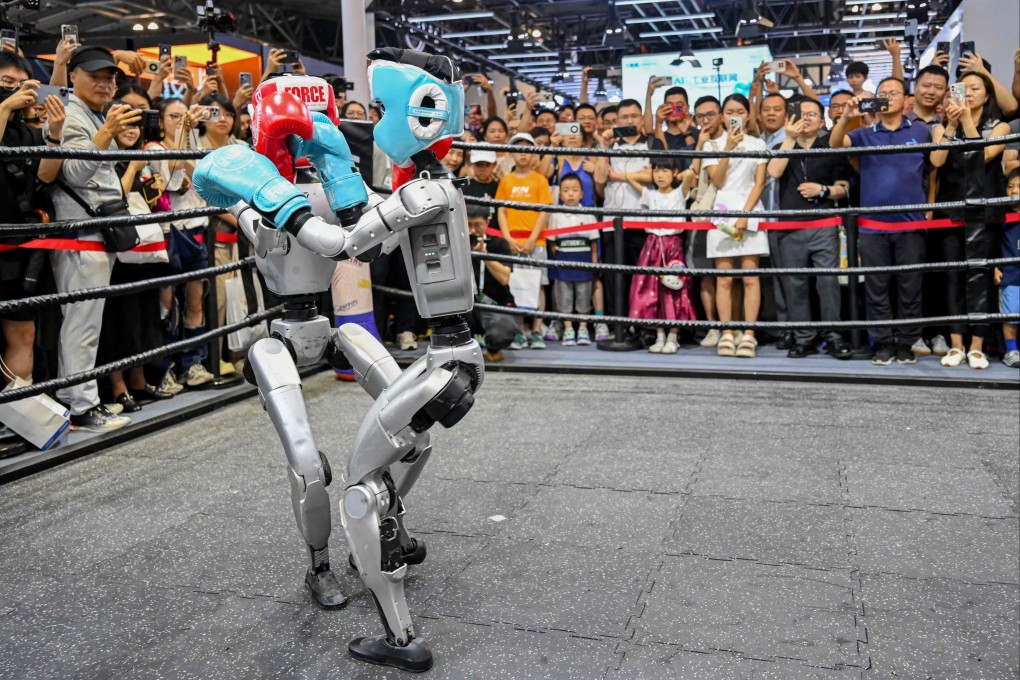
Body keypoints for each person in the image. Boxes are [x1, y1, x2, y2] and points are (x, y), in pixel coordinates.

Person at [47, 46, 139, 431]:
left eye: (110, 77)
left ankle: (83, 400)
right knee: (81, 325)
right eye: (95, 76)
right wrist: (106, 133)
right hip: (81, 232)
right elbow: (75, 174)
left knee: (87, 323)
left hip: (97, 230)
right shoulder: (70, 115)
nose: (105, 83)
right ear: (73, 77)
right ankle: (80, 406)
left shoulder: (94, 113)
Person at [831, 77, 933, 366]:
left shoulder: (921, 130)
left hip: (911, 223)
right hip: (873, 225)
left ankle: (906, 343)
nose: (887, 97)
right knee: (876, 288)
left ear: (906, 100)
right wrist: (846, 118)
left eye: (893, 93)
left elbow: (934, 166)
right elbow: (835, 144)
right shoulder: (864, 134)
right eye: (882, 93)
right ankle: (883, 343)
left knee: (910, 287)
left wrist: (931, 203)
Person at [97, 93, 174, 412]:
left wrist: (153, 183)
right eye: (125, 123)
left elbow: (156, 198)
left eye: (136, 123)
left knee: (145, 315)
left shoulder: (139, 156)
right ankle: (117, 387)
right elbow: (116, 195)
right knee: (119, 319)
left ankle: (140, 382)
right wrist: (134, 168)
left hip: (145, 249)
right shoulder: (105, 156)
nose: (132, 129)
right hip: (117, 249)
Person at [929, 71, 1010, 369]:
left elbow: (984, 155)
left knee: (982, 278)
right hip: (951, 212)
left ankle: (978, 346)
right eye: (963, 88)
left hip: (986, 213)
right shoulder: (942, 128)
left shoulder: (999, 126)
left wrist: (965, 120)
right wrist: (952, 122)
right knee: (952, 278)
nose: (969, 93)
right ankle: (956, 345)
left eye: (975, 88)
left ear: (987, 95)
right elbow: (936, 161)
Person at [766, 99, 853, 360]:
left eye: (812, 114)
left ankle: (834, 336)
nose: (806, 119)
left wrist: (824, 191)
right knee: (795, 285)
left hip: (824, 224)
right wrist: (789, 140)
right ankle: (804, 338)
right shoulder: (782, 146)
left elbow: (845, 187)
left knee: (828, 284)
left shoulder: (831, 146)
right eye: (800, 114)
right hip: (790, 226)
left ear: (822, 121)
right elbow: (774, 171)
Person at [0, 52, 57, 389]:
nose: (16, 91)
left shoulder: (28, 133)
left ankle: (16, 419)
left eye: (22, 85)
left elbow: (45, 179)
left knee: (23, 332)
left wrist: (54, 135)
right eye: (7, 84)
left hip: (20, 249)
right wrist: (6, 106)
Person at [703, 94, 769, 359]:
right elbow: (717, 181)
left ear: (748, 115)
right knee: (725, 279)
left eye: (740, 111)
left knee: (751, 277)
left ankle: (749, 334)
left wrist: (745, 215)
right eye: (729, 112)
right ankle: (727, 332)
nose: (735, 116)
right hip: (721, 212)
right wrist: (728, 148)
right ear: (721, 116)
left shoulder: (758, 143)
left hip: (750, 209)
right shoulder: (711, 145)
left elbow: (759, 182)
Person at [593, 99, 660, 318]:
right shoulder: (610, 146)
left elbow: (656, 175)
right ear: (616, 121)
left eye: (633, 116)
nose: (629, 121)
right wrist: (603, 147)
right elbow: (601, 178)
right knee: (615, 277)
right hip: (614, 222)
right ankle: (618, 324)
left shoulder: (652, 143)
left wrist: (622, 176)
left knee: (643, 277)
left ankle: (644, 324)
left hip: (644, 222)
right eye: (624, 117)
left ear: (641, 119)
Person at [627, 160, 695, 353]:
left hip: (673, 244)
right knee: (653, 290)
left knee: (674, 288)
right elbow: (629, 177)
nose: (660, 175)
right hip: (652, 244)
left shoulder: (680, 192)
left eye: (665, 171)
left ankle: (673, 336)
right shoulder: (650, 194)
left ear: (674, 172)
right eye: (656, 171)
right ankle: (659, 336)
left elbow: (689, 175)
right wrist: (648, 173)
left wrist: (677, 175)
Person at [495, 132, 553, 350]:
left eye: (527, 148)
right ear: (512, 153)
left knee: (538, 284)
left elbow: (543, 212)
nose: (522, 154)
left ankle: (537, 330)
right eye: (517, 149)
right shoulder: (506, 181)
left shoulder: (541, 180)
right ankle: (518, 330)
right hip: (513, 240)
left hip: (536, 242)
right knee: (516, 285)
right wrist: (508, 238)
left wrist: (532, 238)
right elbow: (501, 211)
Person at [687, 95, 726, 348]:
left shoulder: (736, 140)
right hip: (703, 213)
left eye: (710, 115)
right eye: (700, 116)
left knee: (729, 276)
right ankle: (713, 326)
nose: (705, 121)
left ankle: (734, 326)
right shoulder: (699, 142)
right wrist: (699, 148)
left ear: (721, 115)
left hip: (731, 213)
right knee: (706, 275)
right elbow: (691, 181)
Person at [547, 173, 599, 346]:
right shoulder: (556, 216)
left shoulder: (589, 215)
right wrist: (558, 258)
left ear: (582, 194)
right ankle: (568, 328)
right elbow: (552, 243)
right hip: (563, 261)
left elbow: (593, 243)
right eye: (566, 191)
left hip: (583, 261)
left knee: (584, 296)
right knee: (564, 297)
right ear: (560, 194)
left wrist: (593, 262)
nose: (570, 194)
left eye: (575, 190)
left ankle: (583, 328)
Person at [465, 205, 519, 362]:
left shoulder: (499, 244)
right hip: (466, 304)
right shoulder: (458, 242)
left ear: (487, 222)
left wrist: (484, 255)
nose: (473, 230)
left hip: (496, 304)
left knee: (500, 334)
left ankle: (493, 347)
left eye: (477, 225)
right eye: (468, 225)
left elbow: (504, 278)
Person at [644, 82, 696, 169]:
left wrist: (686, 133)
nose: (674, 109)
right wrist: (658, 123)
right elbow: (662, 162)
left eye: (679, 105)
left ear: (687, 107)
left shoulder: (697, 134)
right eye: (670, 105)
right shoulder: (658, 134)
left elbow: (695, 161)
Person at [998, 169, 1020, 368]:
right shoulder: (1001, 214)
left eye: (1019, 187)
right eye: (1010, 186)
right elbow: (992, 243)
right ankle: (1011, 350)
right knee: (1010, 314)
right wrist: (995, 265)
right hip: (1011, 272)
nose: (1014, 191)